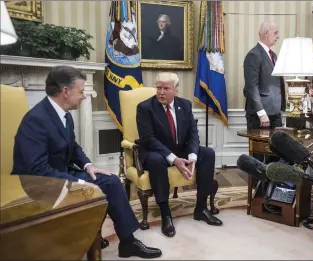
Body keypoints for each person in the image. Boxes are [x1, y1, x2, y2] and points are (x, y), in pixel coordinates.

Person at [11, 66, 162, 259]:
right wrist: (80, 184)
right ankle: (88, 235)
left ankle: (128, 242)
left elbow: (72, 147)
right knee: (94, 189)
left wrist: (88, 166)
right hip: (40, 183)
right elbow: (37, 170)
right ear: (65, 91)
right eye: (81, 91)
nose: (83, 96)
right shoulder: (36, 120)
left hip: (60, 173)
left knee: (111, 181)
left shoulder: (63, 114)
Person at [136, 72, 223, 238]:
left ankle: (201, 209)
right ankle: (165, 213)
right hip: (155, 151)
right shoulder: (145, 108)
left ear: (175, 90)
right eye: (158, 87)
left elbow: (192, 134)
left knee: (208, 153)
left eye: (166, 88)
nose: (161, 92)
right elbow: (148, 139)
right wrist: (174, 160)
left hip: (180, 149)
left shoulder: (185, 105)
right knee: (155, 161)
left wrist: (192, 157)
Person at [243, 21, 286, 130]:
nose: (278, 36)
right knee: (260, 147)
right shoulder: (253, 55)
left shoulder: (274, 55)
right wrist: (261, 113)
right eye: (275, 33)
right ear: (266, 33)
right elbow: (252, 87)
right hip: (261, 115)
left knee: (277, 146)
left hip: (275, 113)